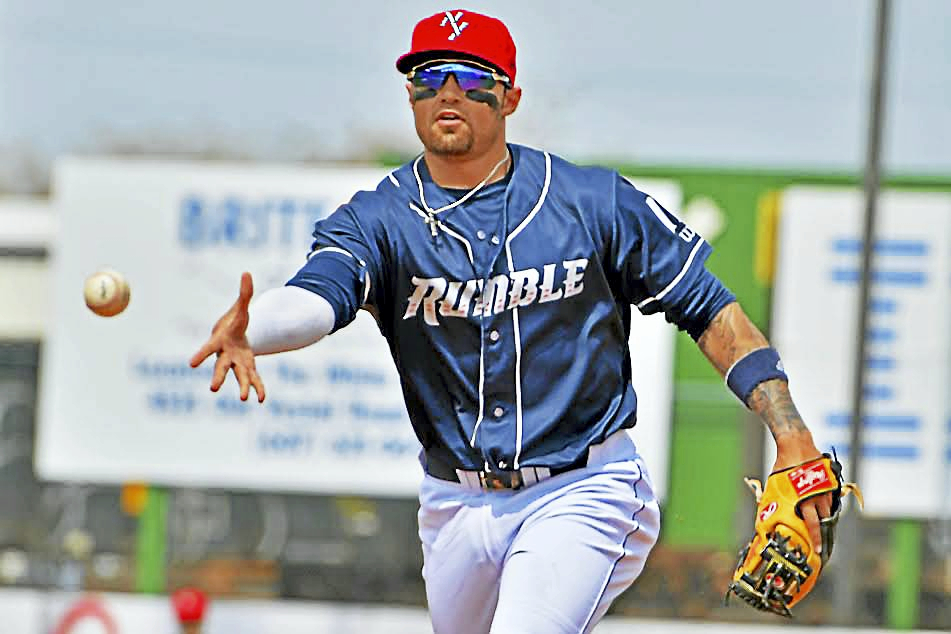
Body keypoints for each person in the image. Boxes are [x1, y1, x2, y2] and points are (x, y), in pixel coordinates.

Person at [190, 9, 833, 633]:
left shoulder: (593, 202)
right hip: (455, 504)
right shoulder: (378, 218)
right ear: (409, 95)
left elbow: (711, 310)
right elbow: (321, 292)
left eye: (471, 79)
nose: (448, 93)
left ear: (510, 96)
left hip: (583, 487)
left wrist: (791, 433)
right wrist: (257, 328)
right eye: (428, 77)